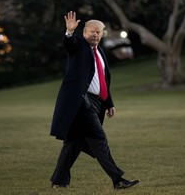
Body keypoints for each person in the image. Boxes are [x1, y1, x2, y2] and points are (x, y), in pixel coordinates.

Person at [50, 11, 139, 189]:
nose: (95, 34)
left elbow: (103, 79)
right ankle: (117, 179)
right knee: (98, 138)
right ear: (84, 33)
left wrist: (109, 103)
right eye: (92, 31)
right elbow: (69, 44)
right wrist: (69, 32)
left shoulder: (101, 53)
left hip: (96, 102)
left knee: (74, 142)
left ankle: (58, 181)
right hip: (82, 102)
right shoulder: (79, 47)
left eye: (98, 32)